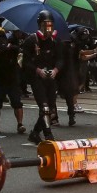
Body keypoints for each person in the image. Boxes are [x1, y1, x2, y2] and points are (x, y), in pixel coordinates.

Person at [21, 10, 63, 143]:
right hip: (37, 79)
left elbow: (61, 59)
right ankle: (48, 136)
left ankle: (34, 133)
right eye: (45, 25)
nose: (48, 28)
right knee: (44, 108)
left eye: (50, 25)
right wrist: (38, 70)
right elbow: (24, 61)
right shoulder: (31, 41)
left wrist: (56, 70)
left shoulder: (56, 41)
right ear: (39, 25)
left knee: (50, 110)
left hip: (51, 79)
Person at [0, 28, 27, 134]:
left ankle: (20, 124)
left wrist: (19, 66)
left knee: (17, 103)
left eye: (2, 37)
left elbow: (21, 56)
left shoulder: (12, 49)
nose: (1, 40)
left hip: (12, 80)